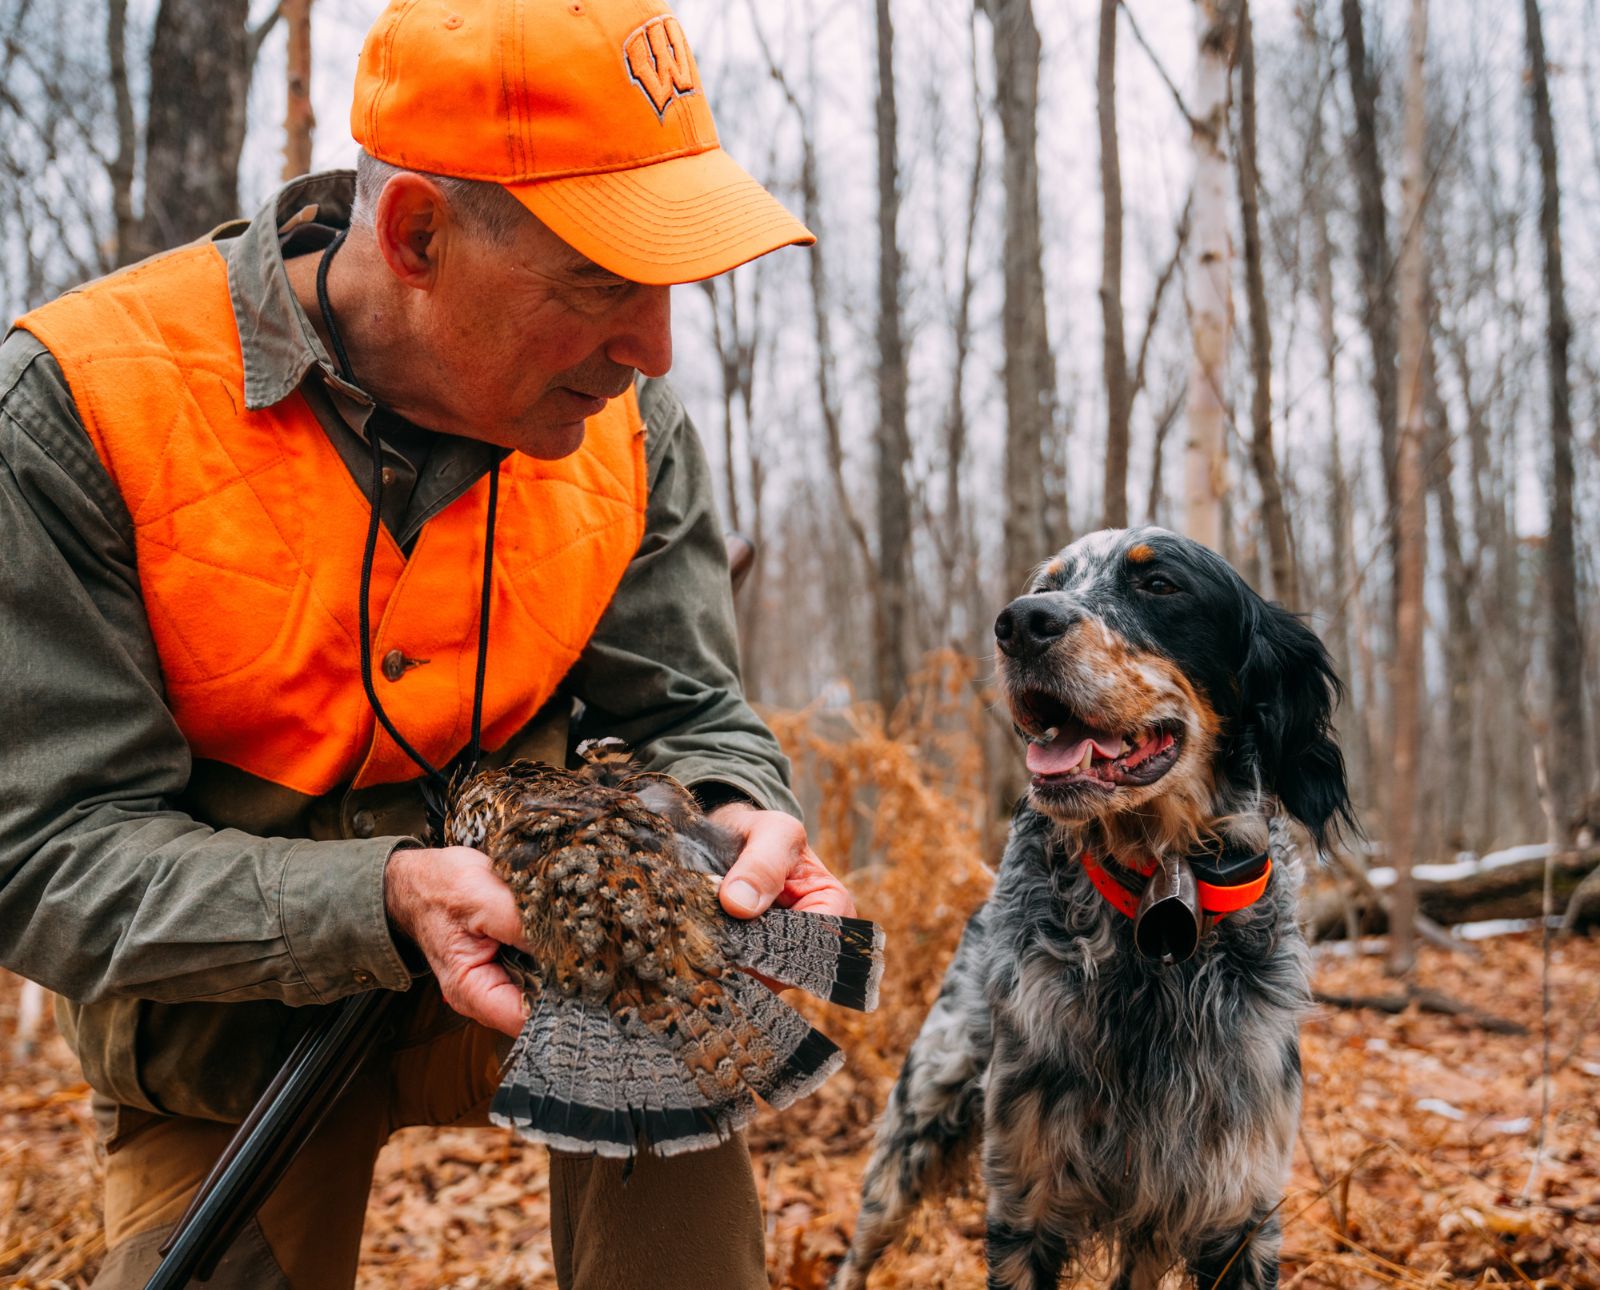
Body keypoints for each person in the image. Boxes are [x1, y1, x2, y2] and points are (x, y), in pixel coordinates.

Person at [0, 2, 853, 1286]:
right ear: (414, 234)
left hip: (567, 972)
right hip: (221, 1032)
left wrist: (737, 808)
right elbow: (42, 856)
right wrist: (385, 897)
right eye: (604, 282)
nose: (654, 347)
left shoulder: (623, 426)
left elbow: (691, 712)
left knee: (680, 1048)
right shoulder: (84, 411)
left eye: (668, 286)